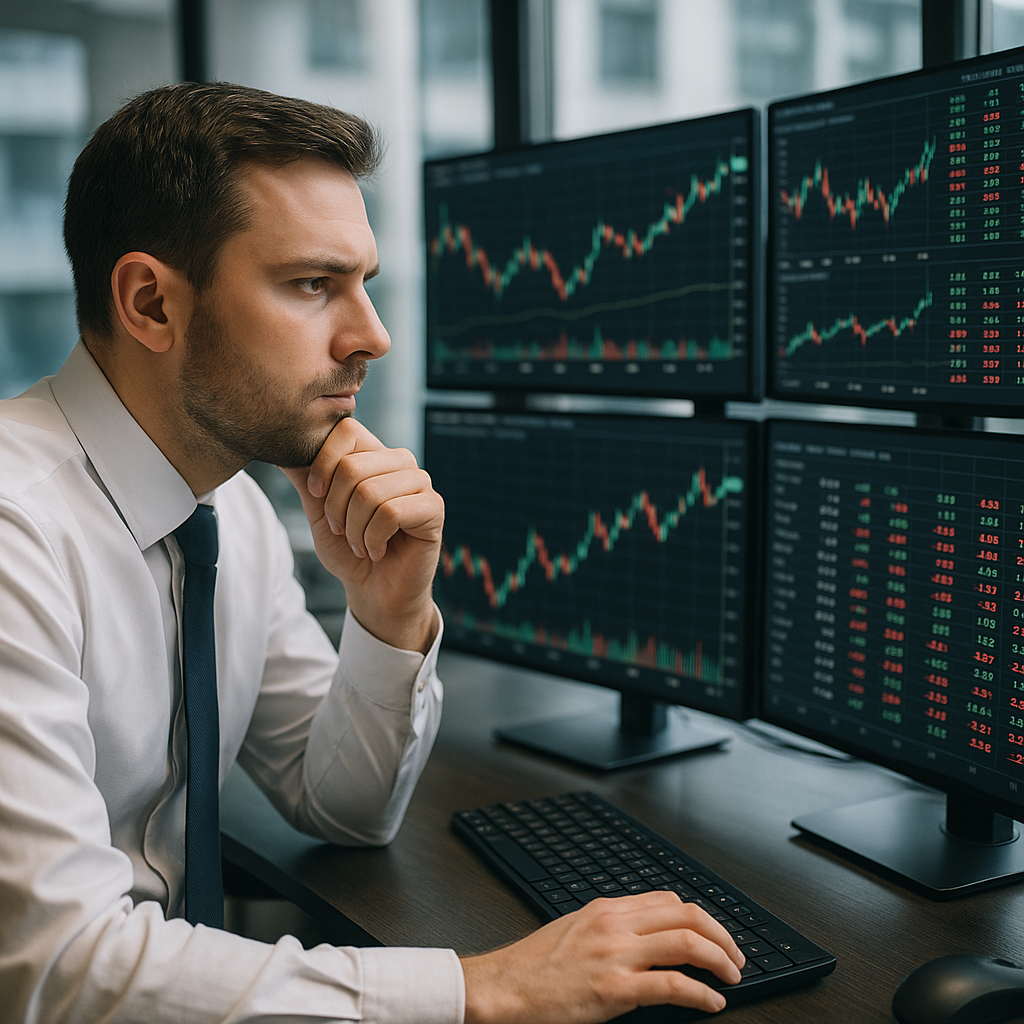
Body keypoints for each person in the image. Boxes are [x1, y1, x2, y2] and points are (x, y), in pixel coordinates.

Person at [0, 81, 744, 1024]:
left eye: (366, 285)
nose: (374, 337)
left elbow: (342, 807)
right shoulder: (14, 534)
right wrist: (484, 986)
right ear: (150, 302)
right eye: (313, 285)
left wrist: (387, 612)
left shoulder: (230, 508)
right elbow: (54, 968)